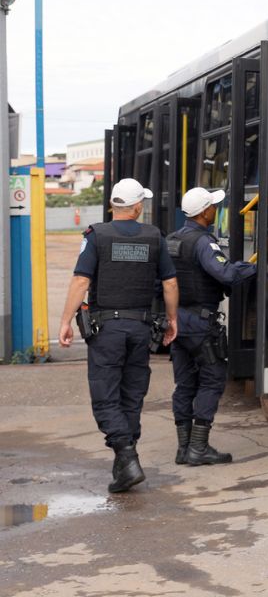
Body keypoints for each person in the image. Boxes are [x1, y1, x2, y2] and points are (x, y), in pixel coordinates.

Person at [57, 177, 179, 493]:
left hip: (106, 330)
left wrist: (66, 321)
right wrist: (172, 319)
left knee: (106, 395)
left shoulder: (96, 236)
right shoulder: (155, 236)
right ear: (138, 206)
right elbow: (170, 284)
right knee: (132, 393)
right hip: (140, 329)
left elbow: (81, 281)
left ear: (114, 205)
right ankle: (125, 466)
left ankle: (126, 455)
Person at [167, 187, 257, 466]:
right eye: (213, 207)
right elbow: (225, 273)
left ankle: (184, 449)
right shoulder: (204, 243)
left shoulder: (171, 240)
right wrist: (254, 266)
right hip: (199, 324)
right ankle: (198, 448)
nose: (215, 210)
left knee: (184, 384)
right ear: (205, 212)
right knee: (212, 380)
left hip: (176, 321)